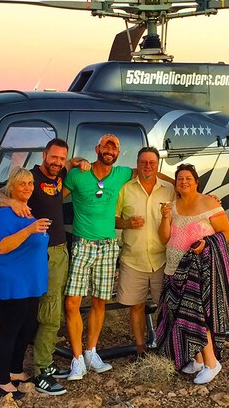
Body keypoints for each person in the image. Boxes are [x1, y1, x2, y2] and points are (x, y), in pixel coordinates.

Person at [0, 138, 86, 396]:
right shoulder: (28, 178)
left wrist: (79, 162)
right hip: (36, 261)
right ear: (44, 155)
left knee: (37, 315)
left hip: (54, 254)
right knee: (46, 314)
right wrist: (12, 202)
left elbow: (69, 164)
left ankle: (22, 367)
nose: (58, 162)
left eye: (62, 159)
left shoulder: (60, 172)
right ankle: (42, 367)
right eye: (54, 157)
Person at [62, 134, 135, 380]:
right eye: (106, 145)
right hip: (83, 245)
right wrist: (70, 162)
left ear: (118, 153)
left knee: (99, 301)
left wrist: (198, 192)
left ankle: (91, 352)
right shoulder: (77, 174)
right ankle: (77, 359)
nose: (110, 150)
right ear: (97, 149)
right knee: (72, 302)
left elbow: (149, 173)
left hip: (108, 246)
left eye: (114, 147)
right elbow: (54, 196)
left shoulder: (122, 173)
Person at [156, 163, 229, 385]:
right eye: (180, 179)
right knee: (181, 315)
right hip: (173, 269)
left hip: (199, 269)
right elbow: (164, 238)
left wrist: (205, 244)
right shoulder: (172, 206)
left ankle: (212, 363)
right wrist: (164, 217)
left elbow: (226, 233)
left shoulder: (209, 202)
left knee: (197, 316)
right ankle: (198, 360)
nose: (184, 182)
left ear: (196, 181)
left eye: (188, 178)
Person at [0, 167, 51, 401]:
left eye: (30, 183)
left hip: (30, 284)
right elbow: (1, 247)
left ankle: (15, 369)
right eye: (22, 183)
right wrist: (30, 230)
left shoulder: (27, 212)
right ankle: (2, 382)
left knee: (26, 329)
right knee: (10, 331)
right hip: (12, 283)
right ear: (12, 187)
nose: (27, 187)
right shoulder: (6, 214)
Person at [114, 147, 175, 359]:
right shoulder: (125, 189)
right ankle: (141, 350)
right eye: (143, 162)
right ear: (137, 164)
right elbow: (113, 218)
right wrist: (127, 223)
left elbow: (188, 205)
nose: (147, 166)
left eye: (151, 162)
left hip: (162, 259)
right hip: (133, 258)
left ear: (157, 165)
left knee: (166, 306)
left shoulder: (169, 190)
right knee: (136, 306)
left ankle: (168, 346)